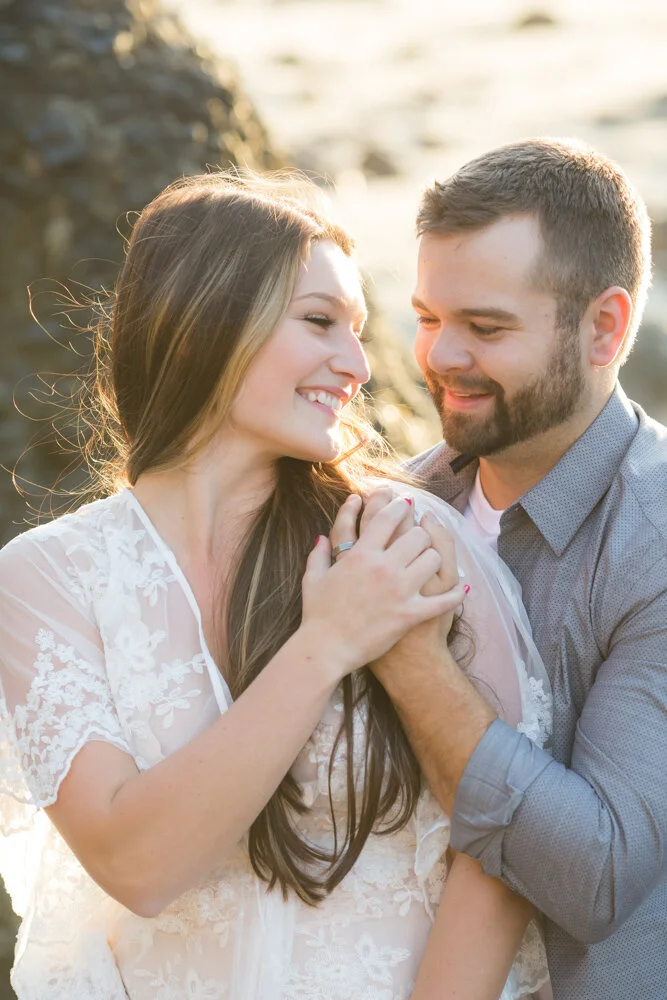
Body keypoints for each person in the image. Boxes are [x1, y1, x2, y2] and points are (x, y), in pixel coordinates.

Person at [0, 172, 551, 1000]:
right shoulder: (46, 579)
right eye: (320, 322)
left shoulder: (399, 535)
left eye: (360, 331)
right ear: (208, 321)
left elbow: (498, 842)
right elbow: (139, 865)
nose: (360, 365)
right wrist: (324, 645)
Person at [355, 138, 667, 1000]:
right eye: (425, 317)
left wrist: (413, 662)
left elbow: (598, 875)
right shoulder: (394, 505)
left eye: (485, 328)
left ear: (603, 326)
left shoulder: (657, 541)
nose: (439, 358)